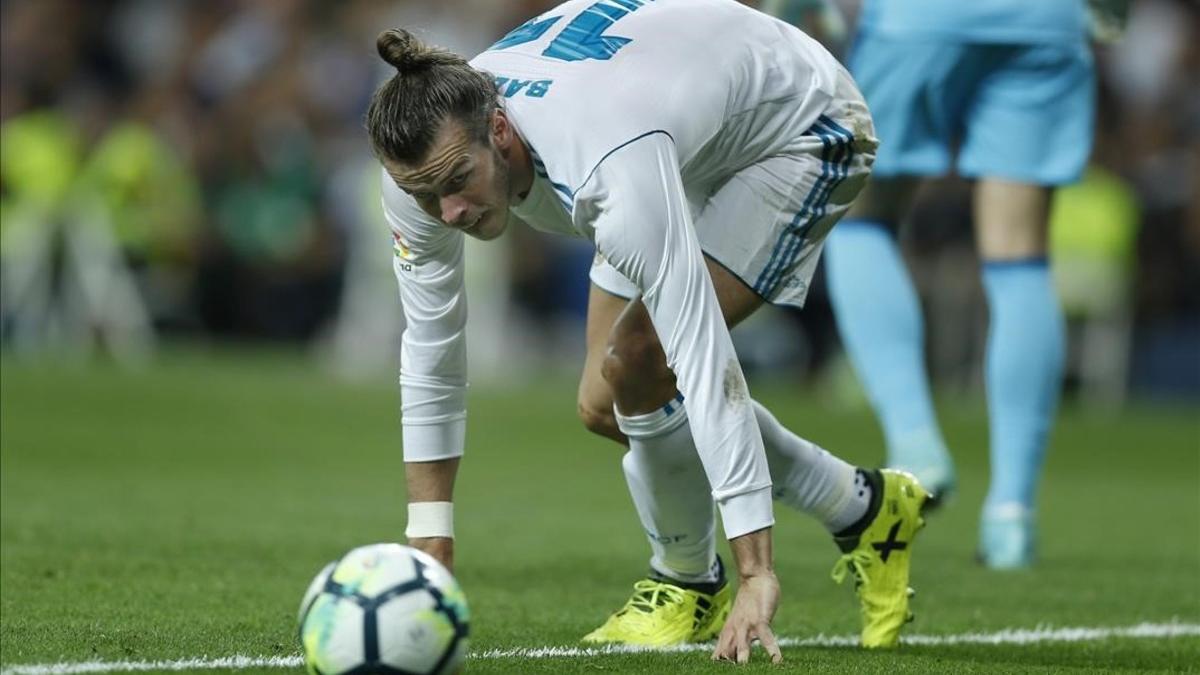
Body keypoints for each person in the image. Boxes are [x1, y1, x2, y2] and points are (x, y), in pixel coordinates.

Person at [366, 0, 931, 662]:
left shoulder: (607, 164)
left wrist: (757, 570)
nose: (449, 211)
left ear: (500, 131)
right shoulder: (424, 169)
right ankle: (864, 507)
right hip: (670, 126)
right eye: (429, 195)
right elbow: (431, 352)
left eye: (459, 182)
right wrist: (431, 539)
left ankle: (688, 580)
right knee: (605, 402)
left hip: (799, 129)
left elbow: (700, 351)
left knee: (640, 358)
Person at [821, 0, 1102, 569]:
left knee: (858, 218)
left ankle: (914, 444)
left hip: (916, 19)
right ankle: (1012, 514)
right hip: (1046, 22)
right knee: (1019, 257)